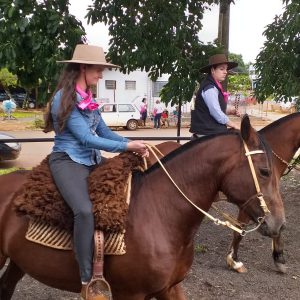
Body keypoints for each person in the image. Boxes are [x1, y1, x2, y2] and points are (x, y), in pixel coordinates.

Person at [43, 44, 148, 300]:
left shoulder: (88, 98)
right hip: (67, 160)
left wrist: (132, 145)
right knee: (84, 210)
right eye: (98, 70)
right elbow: (86, 138)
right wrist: (126, 146)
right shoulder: (62, 98)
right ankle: (87, 278)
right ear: (83, 68)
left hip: (91, 160)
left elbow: (104, 132)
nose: (101, 75)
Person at [190, 54, 240, 138]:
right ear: (213, 70)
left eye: (226, 69)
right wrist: (233, 124)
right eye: (221, 69)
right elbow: (215, 112)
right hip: (207, 133)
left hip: (211, 131)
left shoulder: (214, 86)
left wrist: (230, 111)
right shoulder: (210, 88)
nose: (225, 72)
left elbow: (212, 109)